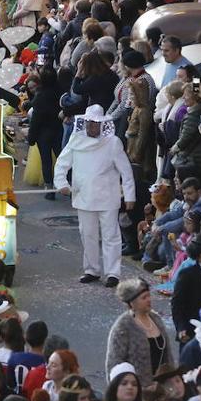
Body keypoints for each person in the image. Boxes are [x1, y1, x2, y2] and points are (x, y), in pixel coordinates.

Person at [53, 104, 135, 287]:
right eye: (89, 123)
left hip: (108, 197)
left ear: (102, 125)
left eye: (95, 124)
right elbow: (61, 164)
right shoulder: (76, 140)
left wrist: (130, 196)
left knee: (111, 235)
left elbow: (126, 171)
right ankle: (91, 269)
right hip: (83, 196)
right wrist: (62, 184)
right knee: (87, 234)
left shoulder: (113, 143)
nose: (92, 127)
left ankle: (113, 272)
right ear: (84, 123)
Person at [106, 279, 174, 389]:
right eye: (144, 298)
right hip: (137, 392)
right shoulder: (123, 327)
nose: (149, 300)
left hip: (162, 389)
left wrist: (171, 379)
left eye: (149, 296)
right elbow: (114, 364)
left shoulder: (156, 319)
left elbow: (168, 355)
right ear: (132, 303)